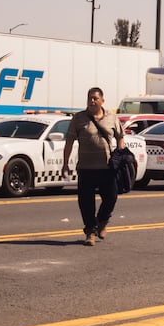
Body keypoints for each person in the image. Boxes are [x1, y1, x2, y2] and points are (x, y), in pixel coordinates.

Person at [61, 86, 125, 246]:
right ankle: (90, 232)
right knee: (86, 202)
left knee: (111, 197)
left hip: (107, 168)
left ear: (102, 100)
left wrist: (120, 154)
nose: (92, 101)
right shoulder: (79, 118)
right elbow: (69, 141)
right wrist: (65, 163)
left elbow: (120, 137)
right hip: (86, 167)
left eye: (95, 98)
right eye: (89, 98)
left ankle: (102, 221)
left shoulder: (111, 117)